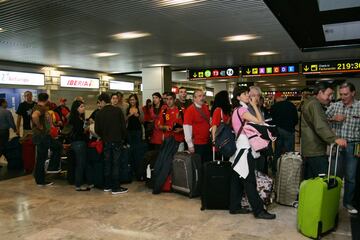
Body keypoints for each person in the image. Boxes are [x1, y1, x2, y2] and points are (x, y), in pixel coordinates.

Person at [229, 86, 276, 219]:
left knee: (237, 179)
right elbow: (260, 121)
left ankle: (234, 206)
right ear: (238, 97)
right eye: (244, 94)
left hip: (239, 148)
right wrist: (254, 105)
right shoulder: (242, 109)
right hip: (244, 149)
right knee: (249, 181)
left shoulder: (236, 110)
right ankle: (259, 211)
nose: (248, 96)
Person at [301, 82, 347, 180]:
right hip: (315, 150)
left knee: (310, 181)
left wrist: (331, 119)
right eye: (329, 94)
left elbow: (315, 122)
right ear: (320, 92)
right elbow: (320, 126)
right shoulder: (314, 104)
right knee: (322, 181)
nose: (330, 98)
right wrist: (335, 139)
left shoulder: (310, 102)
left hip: (310, 149)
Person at [326, 82, 360, 214]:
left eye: (346, 94)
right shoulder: (335, 106)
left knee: (351, 177)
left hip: (353, 145)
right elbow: (322, 120)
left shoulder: (359, 106)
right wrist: (334, 119)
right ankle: (332, 202)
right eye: (341, 94)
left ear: (353, 93)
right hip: (337, 146)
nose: (343, 97)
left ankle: (348, 203)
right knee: (335, 175)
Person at [95, 93, 128, 194]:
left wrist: (104, 136)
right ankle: (116, 187)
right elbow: (123, 127)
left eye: (100, 102)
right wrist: (123, 138)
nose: (100, 104)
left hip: (106, 141)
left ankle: (107, 185)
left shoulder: (99, 113)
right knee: (116, 163)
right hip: (117, 141)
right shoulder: (117, 110)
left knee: (107, 163)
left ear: (103, 101)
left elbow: (97, 130)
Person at [31, 93, 63, 186]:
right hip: (42, 136)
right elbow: (34, 116)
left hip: (43, 135)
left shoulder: (39, 107)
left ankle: (43, 175)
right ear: (46, 99)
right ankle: (43, 177)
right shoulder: (40, 108)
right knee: (43, 157)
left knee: (54, 148)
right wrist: (39, 126)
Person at [270, 91, 299, 174]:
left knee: (277, 151)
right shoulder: (291, 105)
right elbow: (295, 119)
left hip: (278, 131)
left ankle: (275, 169)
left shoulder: (274, 107)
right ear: (283, 97)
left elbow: (272, 121)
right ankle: (290, 171)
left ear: (276, 98)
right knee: (290, 152)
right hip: (289, 131)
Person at [184, 89, 211, 163]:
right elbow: (187, 128)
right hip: (197, 143)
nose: (202, 98)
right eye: (199, 96)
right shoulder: (190, 110)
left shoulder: (205, 107)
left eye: (203, 96)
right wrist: (190, 144)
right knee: (198, 166)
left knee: (207, 164)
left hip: (207, 142)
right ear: (194, 98)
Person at [69, 100, 91, 191]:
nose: (83, 108)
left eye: (83, 106)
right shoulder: (76, 119)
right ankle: (78, 184)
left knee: (81, 163)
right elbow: (80, 132)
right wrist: (86, 129)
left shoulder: (78, 118)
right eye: (81, 107)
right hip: (79, 143)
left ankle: (80, 182)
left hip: (76, 143)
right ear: (76, 108)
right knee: (80, 164)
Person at [126, 94, 144, 180]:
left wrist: (138, 116)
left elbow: (143, 121)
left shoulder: (140, 108)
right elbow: (124, 120)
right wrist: (129, 115)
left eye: (133, 100)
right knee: (130, 151)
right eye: (131, 100)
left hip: (137, 131)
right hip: (129, 131)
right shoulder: (127, 109)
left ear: (136, 100)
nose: (132, 101)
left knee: (138, 152)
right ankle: (131, 172)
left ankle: (138, 173)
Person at [210, 90, 232, 159]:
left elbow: (214, 126)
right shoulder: (228, 111)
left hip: (220, 140)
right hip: (228, 140)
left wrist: (213, 140)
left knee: (218, 160)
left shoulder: (218, 110)